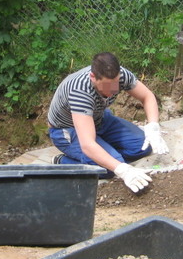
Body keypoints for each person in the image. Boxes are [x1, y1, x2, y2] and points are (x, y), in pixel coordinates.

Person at [47, 52, 169, 193]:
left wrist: (153, 126)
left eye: (116, 83)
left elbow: (147, 96)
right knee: (109, 168)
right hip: (67, 129)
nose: (113, 89)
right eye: (107, 85)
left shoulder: (120, 74)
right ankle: (63, 162)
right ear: (93, 77)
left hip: (99, 118)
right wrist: (122, 169)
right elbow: (87, 144)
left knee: (143, 146)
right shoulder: (80, 91)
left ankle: (106, 152)